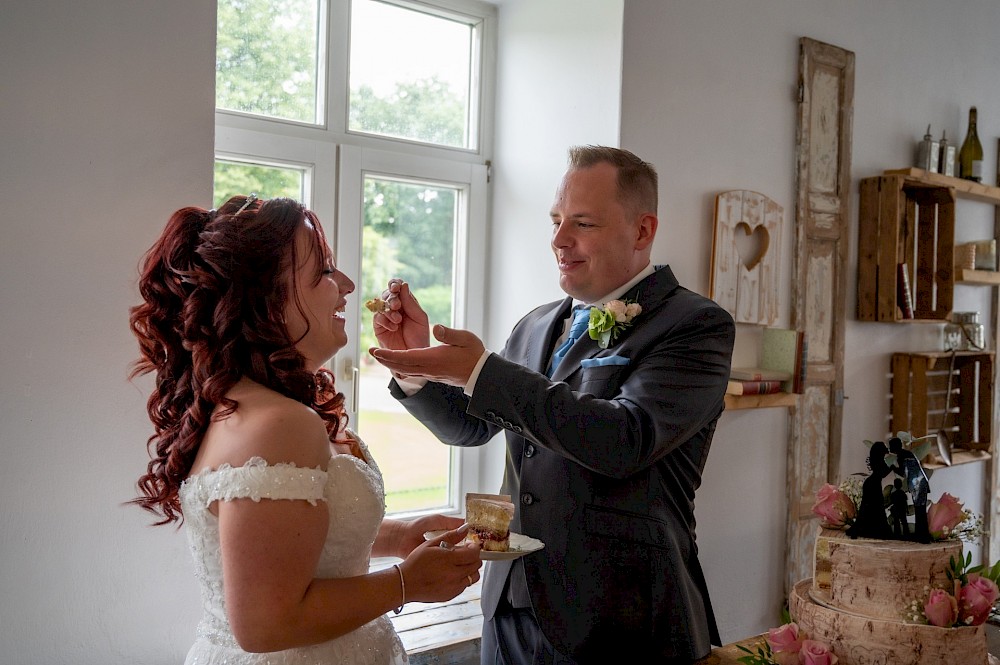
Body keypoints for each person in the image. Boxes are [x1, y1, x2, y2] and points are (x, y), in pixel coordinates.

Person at [368, 146, 735, 664]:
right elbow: (471, 428)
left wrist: (480, 371)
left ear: (642, 230)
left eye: (582, 223)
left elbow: (624, 440)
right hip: (510, 606)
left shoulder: (695, 325)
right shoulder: (536, 323)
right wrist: (414, 369)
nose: (560, 240)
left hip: (622, 619)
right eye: (556, 220)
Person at [129, 195, 482, 665]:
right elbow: (265, 624)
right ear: (266, 297)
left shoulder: (259, 403)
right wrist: (407, 583)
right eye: (324, 271)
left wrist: (399, 537)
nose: (348, 284)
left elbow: (285, 543)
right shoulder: (279, 422)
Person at [846, 440, 892, 540]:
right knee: (874, 506)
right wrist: (893, 466)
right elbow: (883, 473)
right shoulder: (880, 462)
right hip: (873, 484)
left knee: (870, 507)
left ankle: (865, 529)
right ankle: (870, 529)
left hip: (872, 483)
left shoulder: (877, 460)